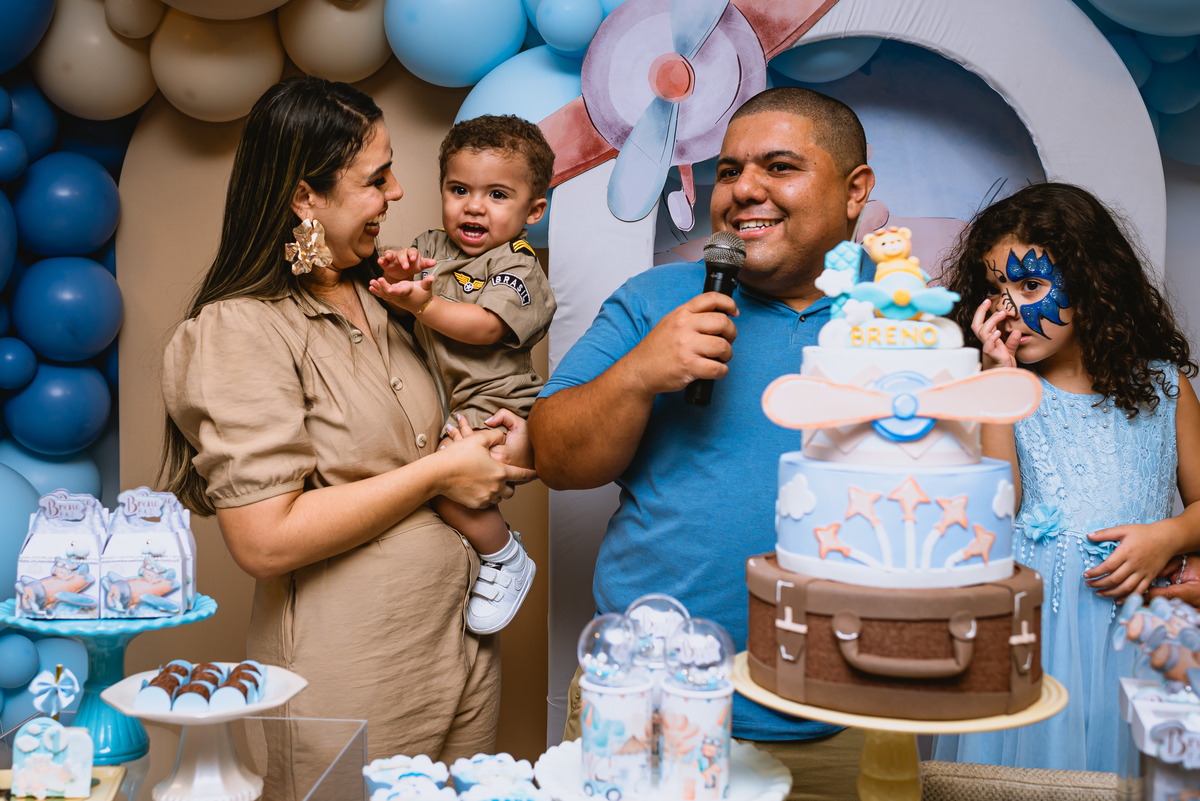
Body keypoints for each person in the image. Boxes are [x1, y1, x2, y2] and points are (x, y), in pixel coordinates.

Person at [159, 77, 536, 799]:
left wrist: (497, 440)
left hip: (461, 653)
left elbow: (462, 407)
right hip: (354, 673)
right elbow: (264, 538)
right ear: (306, 197)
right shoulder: (244, 328)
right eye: (377, 177)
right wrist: (437, 475)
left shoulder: (388, 296)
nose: (397, 193)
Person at [527, 86, 876, 801]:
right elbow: (555, 460)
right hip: (642, 707)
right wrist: (639, 372)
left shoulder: (905, 318)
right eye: (730, 170)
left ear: (854, 190)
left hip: (843, 714)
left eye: (779, 167)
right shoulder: (655, 299)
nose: (744, 189)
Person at [931, 182, 1200, 772]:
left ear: (1093, 281)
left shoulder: (1162, 388)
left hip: (1138, 633)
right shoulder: (997, 391)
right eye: (996, 289)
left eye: (1031, 285)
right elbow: (996, 508)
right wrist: (997, 378)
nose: (1013, 310)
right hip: (1034, 638)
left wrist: (1171, 538)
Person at [369, 115, 556, 635]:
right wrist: (400, 273)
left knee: (449, 482)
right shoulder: (435, 244)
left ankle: (505, 558)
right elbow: (402, 289)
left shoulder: (519, 268)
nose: (474, 206)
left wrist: (422, 305)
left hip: (498, 402)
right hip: (443, 395)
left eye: (498, 195)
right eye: (459, 190)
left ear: (532, 211)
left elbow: (484, 326)